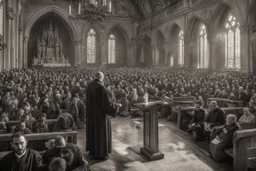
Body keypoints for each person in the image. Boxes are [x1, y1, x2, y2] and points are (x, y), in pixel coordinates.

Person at [86, 71, 121, 160]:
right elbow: (106, 105)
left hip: (91, 114)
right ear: (102, 77)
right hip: (100, 116)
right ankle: (100, 154)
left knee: (93, 133)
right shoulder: (102, 88)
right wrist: (115, 106)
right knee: (100, 133)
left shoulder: (90, 85)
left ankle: (92, 152)